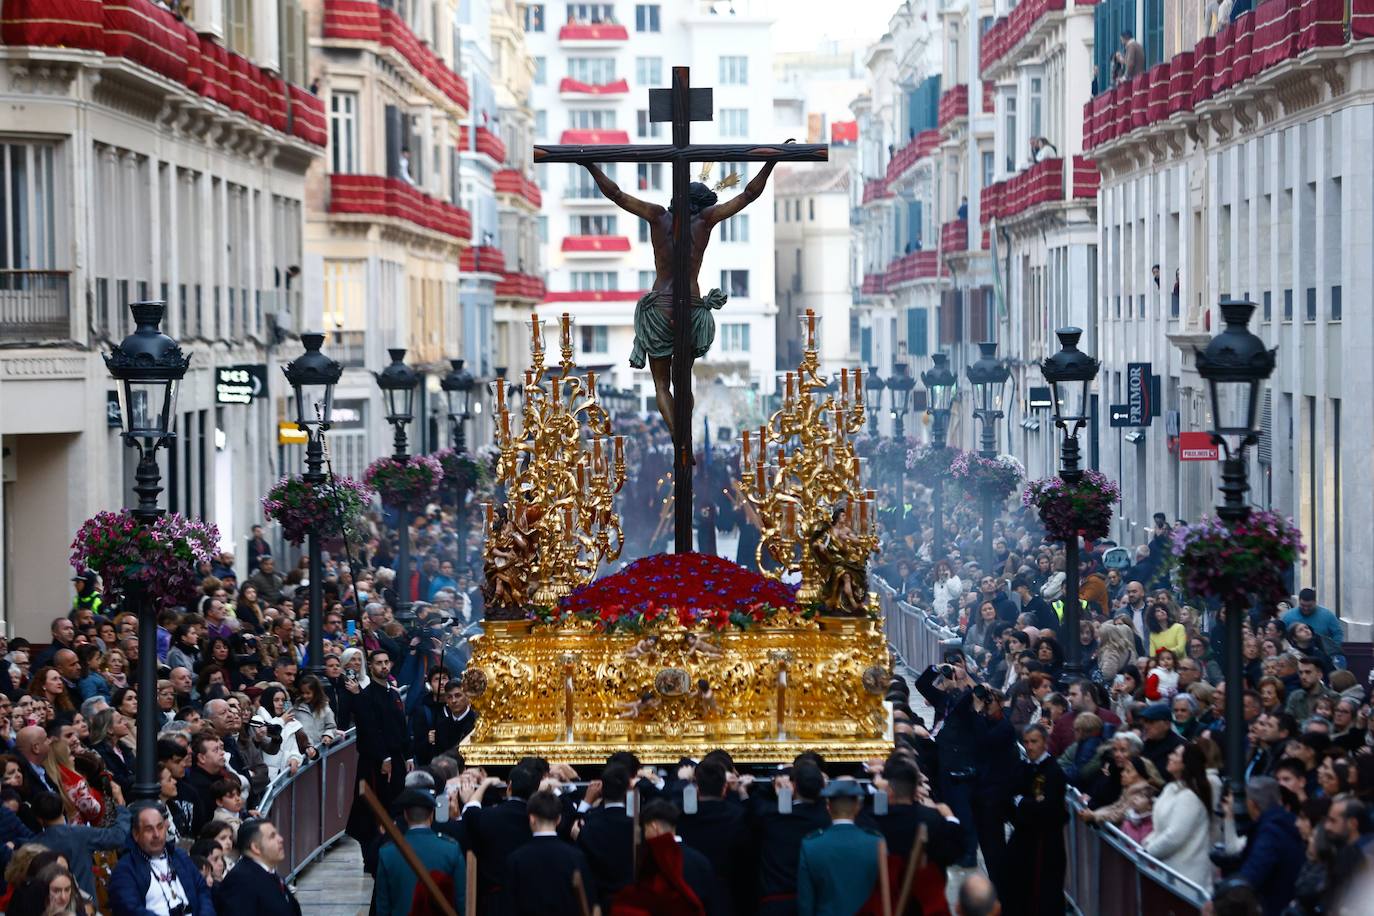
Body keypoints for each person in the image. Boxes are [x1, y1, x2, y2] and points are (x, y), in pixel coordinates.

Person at [579, 157, 781, 437]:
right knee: (683, 383)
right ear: (700, 205)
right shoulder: (706, 221)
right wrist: (771, 162)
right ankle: (684, 438)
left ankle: (679, 438)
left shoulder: (657, 216)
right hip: (690, 309)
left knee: (661, 385)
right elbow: (748, 195)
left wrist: (590, 166)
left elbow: (616, 194)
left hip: (659, 309)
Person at [108, 801, 215, 916]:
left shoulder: (179, 856)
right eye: (149, 829)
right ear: (136, 834)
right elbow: (129, 910)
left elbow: (202, 891)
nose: (156, 835)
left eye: (160, 827)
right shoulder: (126, 869)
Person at [1006, 724, 1066, 916]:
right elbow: (1011, 794)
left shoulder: (1053, 772)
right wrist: (1027, 802)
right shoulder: (1023, 766)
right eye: (1026, 742)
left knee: (1045, 890)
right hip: (1024, 837)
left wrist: (1023, 802)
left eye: (1034, 742)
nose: (1029, 746)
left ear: (1044, 743)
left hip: (1046, 842)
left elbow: (1048, 808)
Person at [796, 780, 881, 916]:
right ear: (858, 807)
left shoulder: (811, 845)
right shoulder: (876, 842)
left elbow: (806, 902)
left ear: (828, 807)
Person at [504, 789, 595, 915]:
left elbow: (510, 906)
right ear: (558, 819)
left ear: (531, 819)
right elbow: (587, 902)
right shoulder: (576, 857)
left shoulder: (515, 859)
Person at [375, 789, 464, 916]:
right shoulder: (451, 849)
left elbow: (383, 907)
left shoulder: (387, 852)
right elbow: (461, 901)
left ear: (405, 815)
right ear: (432, 815)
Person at [30, 790, 130, 901]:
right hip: (85, 905)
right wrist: (121, 808)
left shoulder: (33, 846)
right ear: (63, 809)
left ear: (38, 818)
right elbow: (117, 837)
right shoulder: (81, 834)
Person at [1143, 745, 1214, 893]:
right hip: (1167, 872)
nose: (1170, 757)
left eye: (1175, 754)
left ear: (1186, 763)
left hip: (1186, 878)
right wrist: (1146, 843)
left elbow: (1175, 836)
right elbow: (1160, 828)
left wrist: (1148, 851)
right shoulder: (1171, 788)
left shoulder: (1189, 798)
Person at [213, 818, 301, 916]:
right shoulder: (240, 880)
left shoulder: (269, 873)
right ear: (255, 847)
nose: (280, 839)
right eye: (272, 836)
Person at [1282, 590, 1345, 667]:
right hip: (1296, 654)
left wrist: (1333, 650)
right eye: (1303, 605)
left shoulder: (1327, 615)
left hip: (1325, 653)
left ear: (1315, 602)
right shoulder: (1289, 616)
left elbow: (1338, 633)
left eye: (1309, 606)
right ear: (1299, 602)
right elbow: (1282, 635)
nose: (1306, 608)